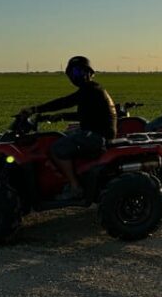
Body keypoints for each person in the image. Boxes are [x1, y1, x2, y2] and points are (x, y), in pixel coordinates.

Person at [19, 56, 116, 199]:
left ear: (88, 72)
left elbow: (65, 102)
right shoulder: (90, 90)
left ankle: (74, 187)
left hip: (97, 137)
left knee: (56, 149)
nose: (74, 76)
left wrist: (35, 109)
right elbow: (84, 115)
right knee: (63, 135)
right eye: (71, 73)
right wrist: (57, 117)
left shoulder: (90, 89)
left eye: (77, 72)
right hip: (96, 133)